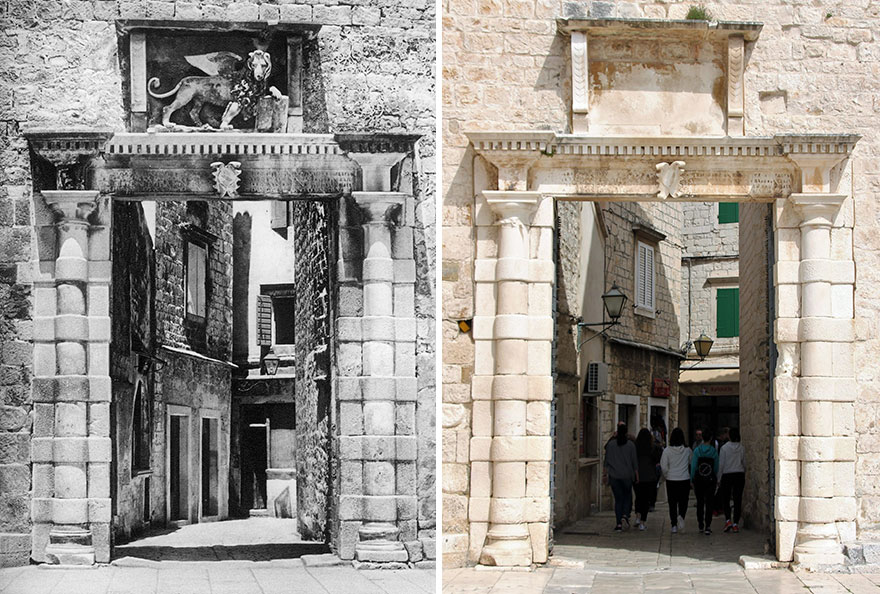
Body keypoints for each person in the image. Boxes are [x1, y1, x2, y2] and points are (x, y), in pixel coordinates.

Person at [603, 422, 639, 532]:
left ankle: (618, 523)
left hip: (614, 476)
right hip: (627, 476)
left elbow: (606, 462)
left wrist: (604, 475)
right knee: (627, 496)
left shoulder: (611, 445)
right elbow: (635, 463)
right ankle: (625, 515)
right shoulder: (631, 445)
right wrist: (637, 476)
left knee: (618, 499)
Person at [660, 427, 691, 534]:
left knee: (672, 503)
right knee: (684, 501)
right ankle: (681, 516)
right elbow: (690, 462)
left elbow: (663, 466)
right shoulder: (687, 450)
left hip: (671, 479)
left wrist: (667, 475)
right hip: (684, 479)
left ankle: (673, 525)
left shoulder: (667, 451)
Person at [691, 427, 720, 535]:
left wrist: (692, 478)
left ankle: (700, 524)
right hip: (710, 479)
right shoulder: (713, 451)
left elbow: (694, 465)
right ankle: (708, 525)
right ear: (711, 438)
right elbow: (716, 466)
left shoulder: (697, 450)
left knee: (700, 502)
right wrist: (715, 477)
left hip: (699, 479)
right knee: (709, 502)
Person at [718, 427, 746, 533]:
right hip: (739, 474)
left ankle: (728, 520)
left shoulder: (724, 448)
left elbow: (721, 464)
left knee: (726, 499)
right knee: (737, 499)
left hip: (727, 475)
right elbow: (744, 462)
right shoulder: (741, 448)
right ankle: (736, 523)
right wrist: (744, 471)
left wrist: (719, 478)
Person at [634, 428, 660, 531]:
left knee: (638, 497)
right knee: (646, 500)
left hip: (637, 475)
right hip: (649, 476)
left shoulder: (635, 447)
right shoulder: (653, 448)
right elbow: (656, 461)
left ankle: (637, 516)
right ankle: (642, 522)